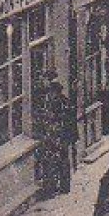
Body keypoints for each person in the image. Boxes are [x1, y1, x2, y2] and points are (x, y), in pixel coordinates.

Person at [31, 66, 75, 196]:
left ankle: (53, 188)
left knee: (54, 161)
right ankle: (63, 186)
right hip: (61, 135)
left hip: (57, 135)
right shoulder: (63, 100)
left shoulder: (56, 101)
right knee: (61, 160)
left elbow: (55, 118)